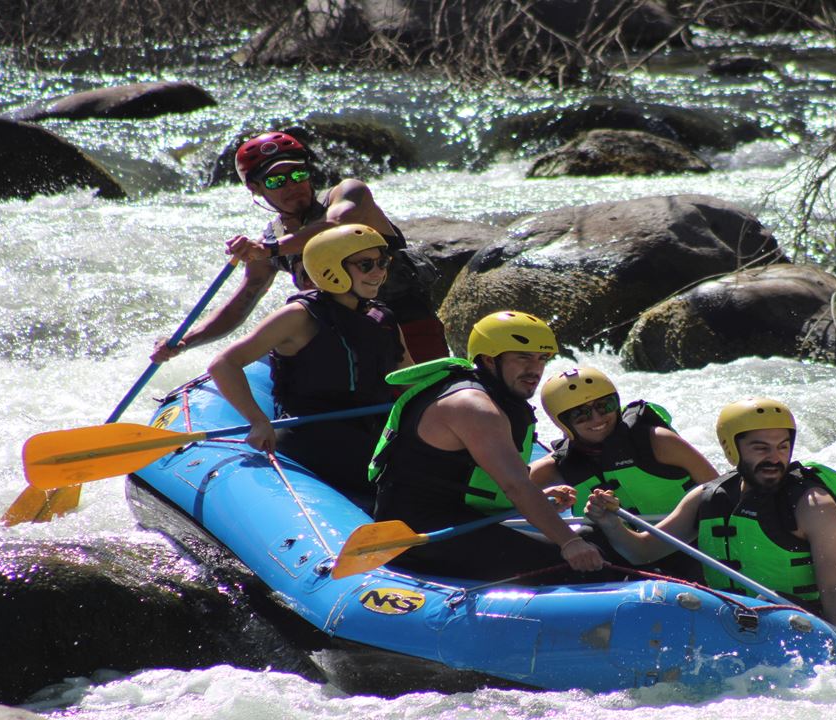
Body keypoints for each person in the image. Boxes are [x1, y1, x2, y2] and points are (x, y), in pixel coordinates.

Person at [154, 130, 447, 364]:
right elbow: (240, 305)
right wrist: (186, 341)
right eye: (277, 180)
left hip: (408, 329)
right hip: (345, 345)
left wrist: (268, 249)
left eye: (297, 174)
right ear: (256, 188)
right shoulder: (272, 239)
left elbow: (334, 227)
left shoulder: (349, 194)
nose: (292, 185)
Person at [585, 397, 836, 631]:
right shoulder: (707, 498)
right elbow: (641, 552)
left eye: (782, 446)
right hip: (727, 622)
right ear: (732, 448)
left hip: (799, 623)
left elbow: (834, 585)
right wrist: (610, 523)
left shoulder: (813, 505)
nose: (774, 458)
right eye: (760, 448)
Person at [369, 311, 605, 580]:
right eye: (523, 357)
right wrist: (570, 543)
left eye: (541, 358)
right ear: (490, 359)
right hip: (420, 534)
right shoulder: (473, 406)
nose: (535, 370)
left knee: (592, 536)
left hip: (461, 517)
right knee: (576, 563)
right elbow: (516, 486)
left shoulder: (489, 393)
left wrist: (540, 501)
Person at [208, 224, 411, 507]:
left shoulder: (381, 317)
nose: (378, 272)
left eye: (381, 262)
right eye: (366, 265)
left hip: (371, 429)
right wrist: (257, 420)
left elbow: (409, 380)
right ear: (331, 268)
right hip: (311, 433)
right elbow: (224, 364)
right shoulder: (299, 317)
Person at [529, 366, 718, 517]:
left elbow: (721, 491)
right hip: (618, 557)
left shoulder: (658, 441)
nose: (597, 418)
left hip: (690, 544)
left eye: (605, 405)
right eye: (580, 414)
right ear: (562, 422)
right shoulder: (551, 469)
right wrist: (541, 503)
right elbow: (513, 497)